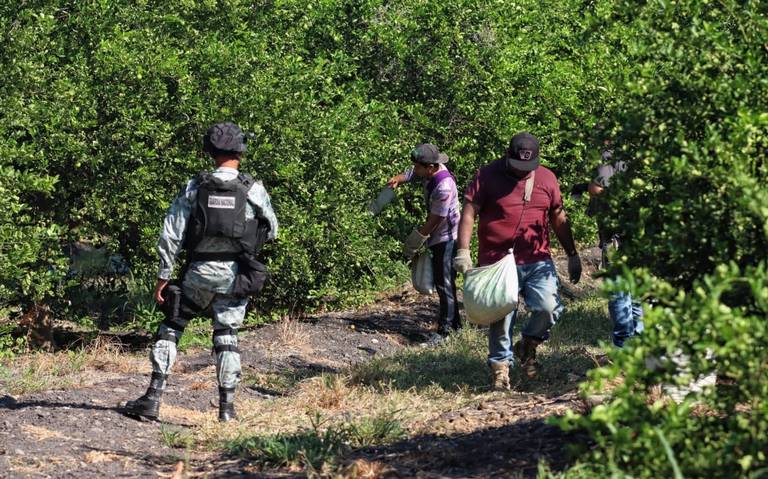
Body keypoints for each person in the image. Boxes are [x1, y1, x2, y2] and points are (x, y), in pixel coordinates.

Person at [123, 122, 278, 422]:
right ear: (240, 151)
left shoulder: (195, 187)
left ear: (210, 151)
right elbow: (272, 229)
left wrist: (163, 277)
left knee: (172, 325)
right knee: (227, 336)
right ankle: (227, 410)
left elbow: (171, 234)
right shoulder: (253, 189)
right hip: (235, 276)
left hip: (198, 272)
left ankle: (153, 398)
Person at [454, 132, 582, 390]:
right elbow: (469, 212)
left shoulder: (547, 178)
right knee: (501, 316)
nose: (522, 171)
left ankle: (529, 343)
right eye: (517, 165)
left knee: (550, 307)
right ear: (507, 155)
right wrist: (463, 250)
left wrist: (572, 254)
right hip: (497, 260)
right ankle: (500, 368)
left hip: (537, 258)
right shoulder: (487, 175)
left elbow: (558, 215)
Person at [387, 143, 461, 343]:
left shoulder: (444, 187)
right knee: (445, 283)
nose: (416, 170)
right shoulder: (429, 170)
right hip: (438, 232)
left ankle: (445, 332)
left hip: (447, 236)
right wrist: (399, 179)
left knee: (444, 283)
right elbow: (412, 173)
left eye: (419, 167)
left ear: (430, 167)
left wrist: (416, 240)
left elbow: (436, 220)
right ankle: (456, 326)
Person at [587, 143, 643, 347]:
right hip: (639, 231)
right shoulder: (641, 152)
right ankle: (639, 341)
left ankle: (624, 345)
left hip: (616, 233)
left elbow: (597, 187)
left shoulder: (609, 154)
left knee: (620, 288)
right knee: (635, 288)